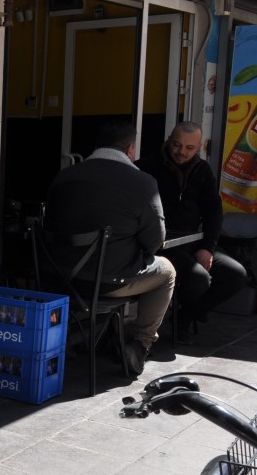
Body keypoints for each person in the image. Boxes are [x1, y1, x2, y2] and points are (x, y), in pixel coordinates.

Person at [45, 120, 176, 376]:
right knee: (167, 271)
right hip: (108, 283)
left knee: (97, 278)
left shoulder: (64, 176)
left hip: (57, 278)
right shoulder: (143, 183)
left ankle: (73, 337)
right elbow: (155, 242)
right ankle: (140, 345)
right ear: (130, 149)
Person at [137, 121, 248, 341]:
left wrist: (207, 247)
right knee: (198, 280)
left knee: (236, 275)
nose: (182, 152)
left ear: (199, 147)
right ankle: (184, 315)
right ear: (169, 140)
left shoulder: (202, 170)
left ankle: (184, 317)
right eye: (177, 145)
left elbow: (213, 212)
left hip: (193, 242)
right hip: (163, 245)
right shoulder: (147, 167)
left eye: (189, 148)